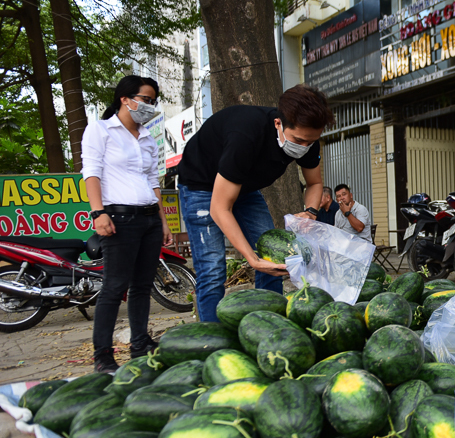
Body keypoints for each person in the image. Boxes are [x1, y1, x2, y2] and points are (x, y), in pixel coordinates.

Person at [177, 84, 333, 322]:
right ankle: (211, 339)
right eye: (298, 140)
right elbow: (220, 208)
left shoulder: (308, 140)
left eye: (310, 142)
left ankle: (268, 325)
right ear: (278, 123)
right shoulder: (245, 135)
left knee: (274, 258)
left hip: (245, 188)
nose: (303, 148)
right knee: (212, 271)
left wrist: (310, 213)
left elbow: (314, 183)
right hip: (202, 186)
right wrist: (250, 257)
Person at [82, 75, 172, 373]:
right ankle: (103, 356)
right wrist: (98, 213)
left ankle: (140, 343)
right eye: (145, 99)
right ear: (125, 98)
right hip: (117, 217)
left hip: (148, 218)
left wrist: (164, 222)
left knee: (143, 286)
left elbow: (152, 180)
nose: (149, 106)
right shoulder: (101, 130)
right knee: (114, 287)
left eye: (152, 101)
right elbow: (91, 172)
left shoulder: (147, 137)